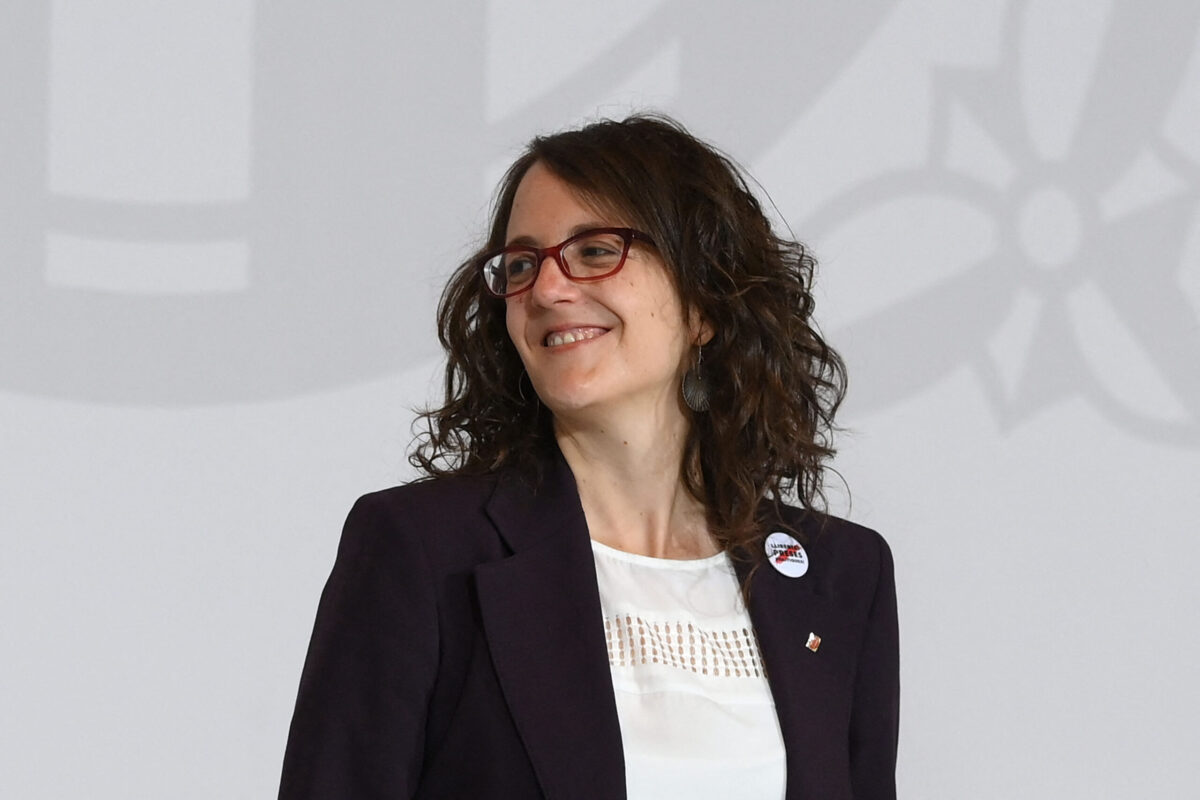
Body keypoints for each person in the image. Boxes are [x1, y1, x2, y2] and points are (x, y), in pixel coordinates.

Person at [278, 113, 899, 799]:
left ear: (704, 304)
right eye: (521, 265)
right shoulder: (423, 550)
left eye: (597, 251)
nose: (546, 290)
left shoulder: (842, 574)